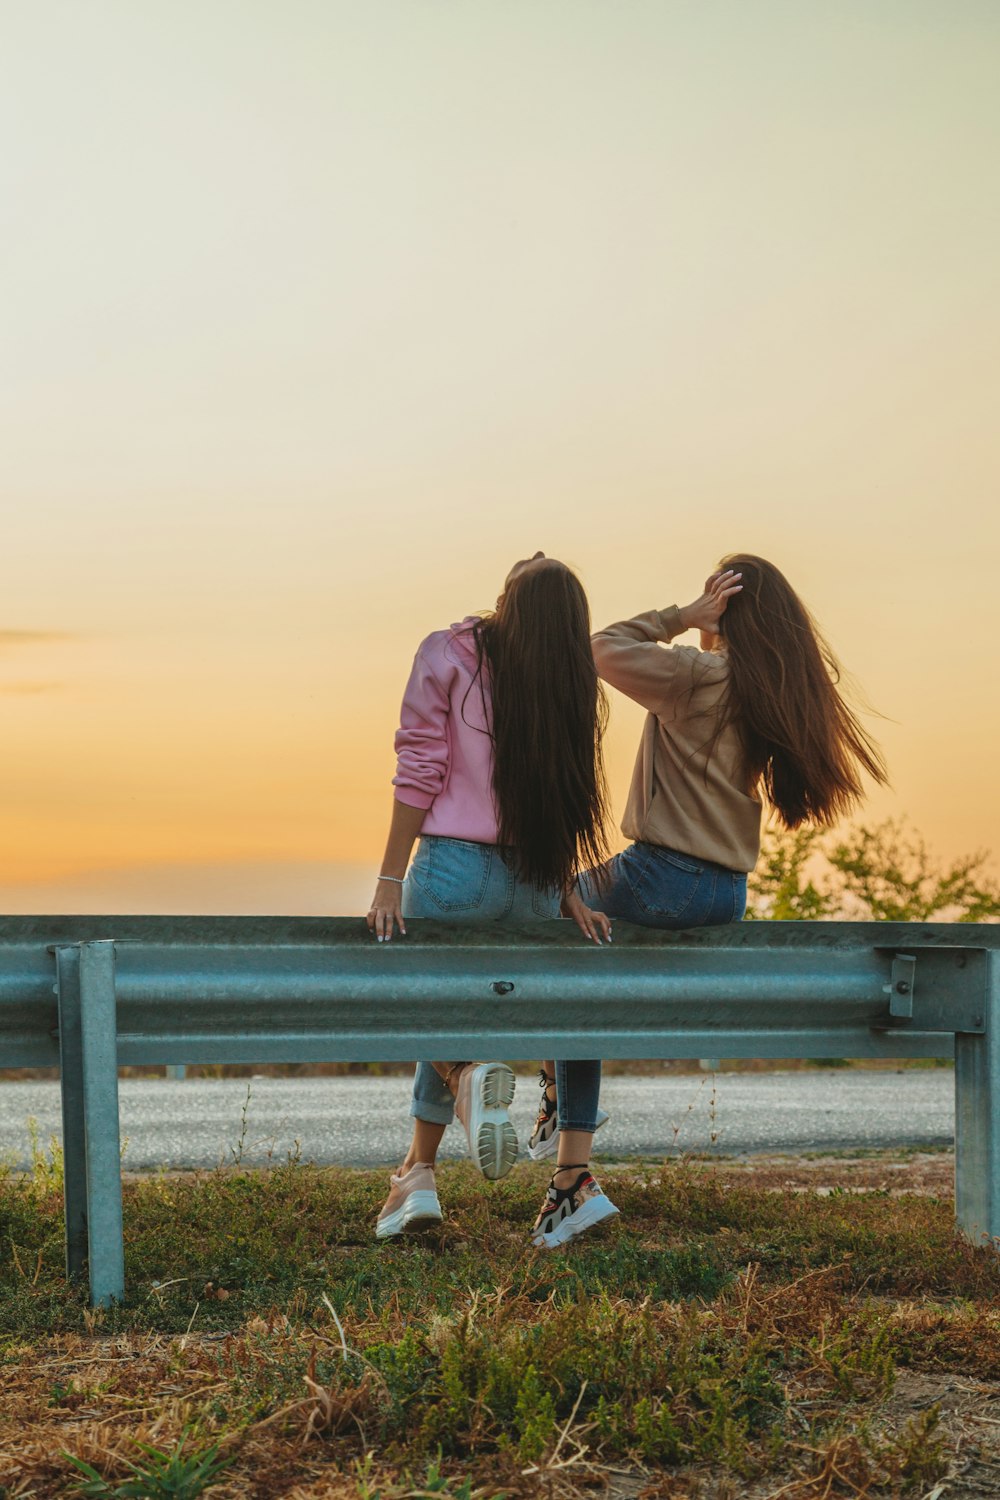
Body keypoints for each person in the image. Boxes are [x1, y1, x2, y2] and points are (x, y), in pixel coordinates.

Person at [528, 553, 887, 1152]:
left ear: (723, 609)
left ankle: (565, 1120)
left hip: (663, 876)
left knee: (550, 911)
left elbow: (599, 648)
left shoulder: (698, 675)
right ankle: (567, 1150)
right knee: (582, 967)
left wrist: (678, 615)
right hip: (725, 892)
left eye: (710, 600)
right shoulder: (763, 691)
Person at [367, 554, 619, 1250]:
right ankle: (416, 1174)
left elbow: (420, 762)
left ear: (510, 598)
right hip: (536, 881)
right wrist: (567, 890)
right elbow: (562, 797)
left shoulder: (449, 653)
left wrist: (390, 877)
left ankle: (459, 1090)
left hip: (456, 868)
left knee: (427, 1002)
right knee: (494, 1012)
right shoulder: (570, 682)